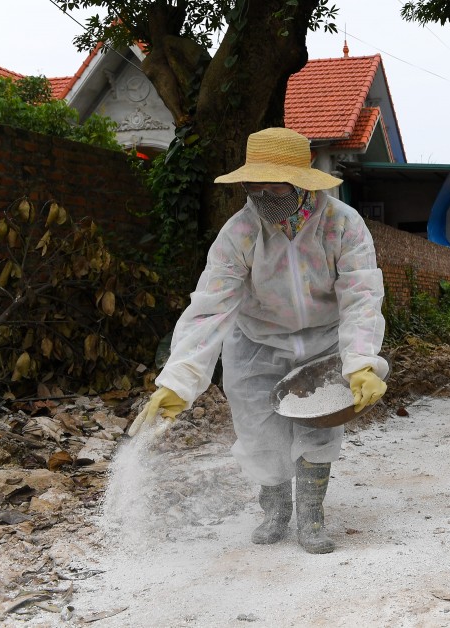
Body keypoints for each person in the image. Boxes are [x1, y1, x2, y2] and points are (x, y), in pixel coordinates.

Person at [128, 127, 389, 553]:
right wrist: (178, 379)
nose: (263, 196)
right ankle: (275, 509)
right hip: (256, 345)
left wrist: (360, 359)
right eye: (255, 186)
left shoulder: (343, 226)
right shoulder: (240, 233)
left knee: (318, 431)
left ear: (302, 183)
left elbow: (361, 293)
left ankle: (311, 515)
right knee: (259, 434)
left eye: (275, 186)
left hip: (323, 344)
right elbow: (211, 305)